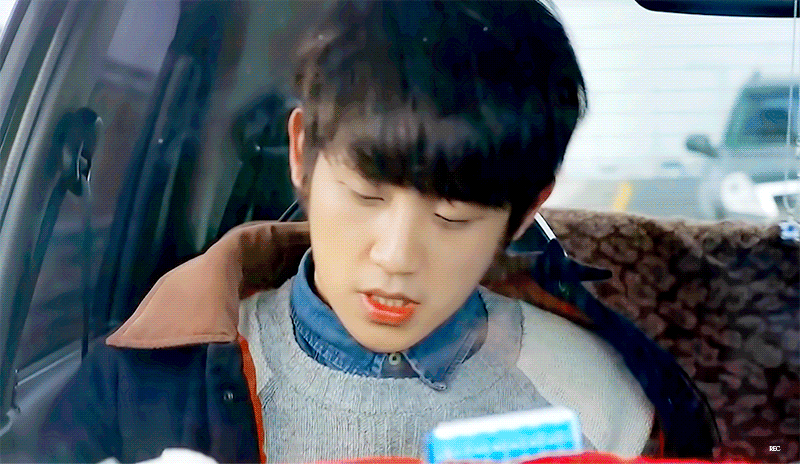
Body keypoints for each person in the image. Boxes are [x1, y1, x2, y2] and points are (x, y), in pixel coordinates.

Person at [39, 1, 711, 462]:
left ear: (525, 211)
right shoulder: (143, 392)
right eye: (366, 195)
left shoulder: (607, 405)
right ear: (301, 153)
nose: (395, 258)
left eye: (452, 218)